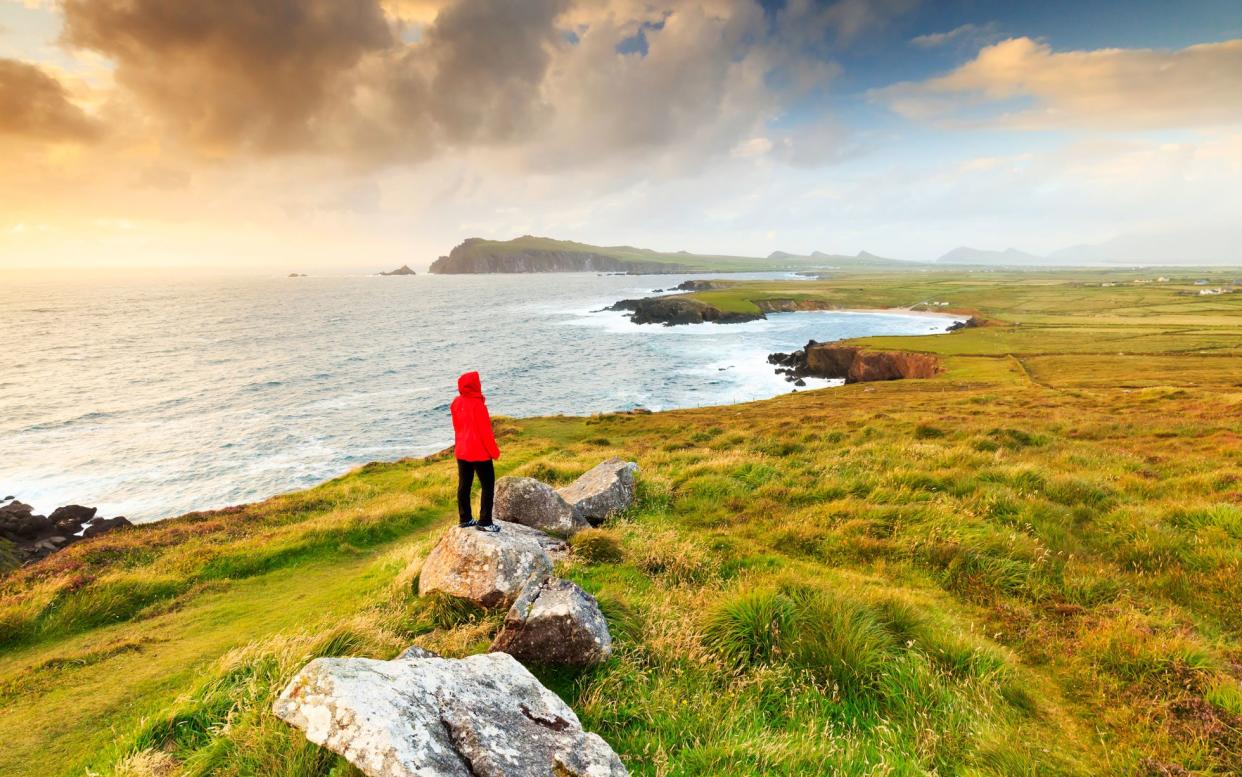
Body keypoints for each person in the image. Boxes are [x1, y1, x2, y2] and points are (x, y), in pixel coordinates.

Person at [451, 371, 501, 532]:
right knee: (487, 485)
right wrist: (494, 452)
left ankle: (465, 518)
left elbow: (458, 427)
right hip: (479, 452)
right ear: (475, 385)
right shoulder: (479, 406)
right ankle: (485, 522)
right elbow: (486, 433)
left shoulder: (456, 403)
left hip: (462, 450)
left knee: (464, 485)